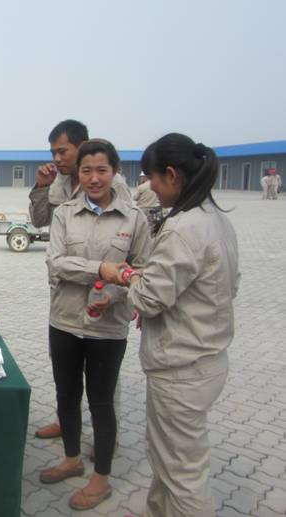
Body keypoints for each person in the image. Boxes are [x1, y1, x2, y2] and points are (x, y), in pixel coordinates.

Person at [107, 133, 240, 516]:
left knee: (183, 473)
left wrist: (128, 276)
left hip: (182, 368)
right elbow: (229, 284)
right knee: (167, 459)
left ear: (172, 174)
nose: (148, 187)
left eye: (151, 177)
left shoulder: (183, 228)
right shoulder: (216, 219)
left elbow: (149, 298)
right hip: (206, 358)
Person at [41, 139, 150, 510]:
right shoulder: (64, 214)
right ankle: (71, 458)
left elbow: (142, 270)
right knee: (66, 395)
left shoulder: (134, 218)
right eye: (86, 170)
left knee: (101, 402)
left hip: (108, 327)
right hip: (65, 321)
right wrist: (102, 270)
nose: (94, 178)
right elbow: (56, 263)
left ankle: (101, 478)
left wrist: (115, 292)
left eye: (102, 170)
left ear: (115, 171)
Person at [29, 120, 131, 441]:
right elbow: (40, 220)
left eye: (63, 151)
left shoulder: (116, 187)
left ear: (82, 146)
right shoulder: (59, 181)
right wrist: (41, 187)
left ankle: (105, 438)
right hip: (66, 289)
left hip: (105, 294)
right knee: (65, 371)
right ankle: (66, 421)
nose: (56, 159)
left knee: (103, 377)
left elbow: (131, 244)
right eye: (53, 152)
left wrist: (117, 287)